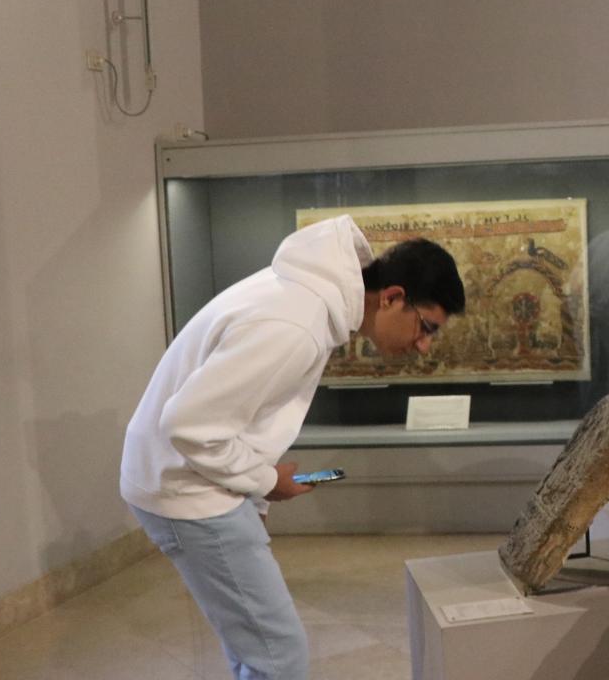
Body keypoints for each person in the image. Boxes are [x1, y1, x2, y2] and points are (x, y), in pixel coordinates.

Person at [120, 215, 464, 679]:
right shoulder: (296, 324)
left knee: (258, 648)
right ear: (392, 297)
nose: (423, 346)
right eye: (427, 327)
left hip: (192, 479)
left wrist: (256, 493)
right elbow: (188, 425)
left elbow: (237, 415)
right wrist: (265, 481)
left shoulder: (306, 301)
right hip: (186, 489)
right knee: (277, 655)